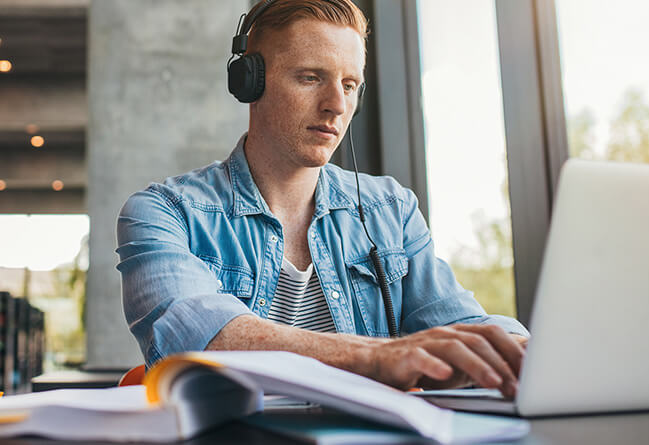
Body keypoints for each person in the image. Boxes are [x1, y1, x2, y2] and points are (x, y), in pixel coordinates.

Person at [115, 0, 529, 399]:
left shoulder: (391, 210)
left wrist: (518, 350)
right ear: (250, 83)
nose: (336, 105)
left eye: (350, 85)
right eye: (311, 77)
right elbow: (200, 340)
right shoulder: (164, 212)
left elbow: (459, 326)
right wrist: (377, 357)